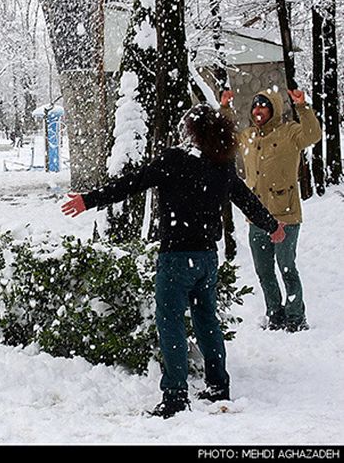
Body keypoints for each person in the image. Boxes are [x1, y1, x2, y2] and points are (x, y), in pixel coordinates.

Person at [62, 104, 285, 419]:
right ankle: (218, 385)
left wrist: (89, 200)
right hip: (207, 258)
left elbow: (131, 184)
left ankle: (176, 396)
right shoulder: (220, 164)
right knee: (207, 320)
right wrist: (272, 225)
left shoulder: (172, 161)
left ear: (190, 131)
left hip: (176, 258)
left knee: (171, 325)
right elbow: (246, 198)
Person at [220, 88, 321, 332]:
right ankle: (275, 314)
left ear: (273, 109)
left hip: (285, 213)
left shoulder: (289, 133)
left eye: (263, 106)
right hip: (257, 217)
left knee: (286, 266)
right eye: (255, 106)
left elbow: (313, 134)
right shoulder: (248, 136)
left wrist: (302, 107)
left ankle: (296, 317)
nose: (258, 110)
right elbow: (224, 135)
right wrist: (224, 109)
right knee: (264, 271)